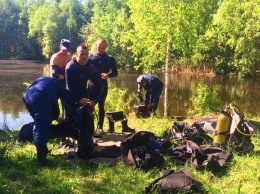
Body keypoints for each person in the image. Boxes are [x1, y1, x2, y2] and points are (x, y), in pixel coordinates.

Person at [23, 77, 77, 166]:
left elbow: (53, 107)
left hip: (27, 97)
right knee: (41, 129)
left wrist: (56, 118)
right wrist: (76, 106)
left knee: (39, 124)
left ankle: (42, 148)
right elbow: (68, 97)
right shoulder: (58, 84)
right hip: (41, 96)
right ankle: (42, 160)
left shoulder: (44, 81)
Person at [65, 44, 103, 137]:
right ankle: (65, 138)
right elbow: (69, 87)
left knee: (87, 115)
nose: (84, 56)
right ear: (76, 54)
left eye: (86, 54)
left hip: (83, 91)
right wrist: (79, 100)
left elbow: (98, 84)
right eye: (82, 54)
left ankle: (88, 138)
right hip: (70, 93)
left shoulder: (90, 67)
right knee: (68, 116)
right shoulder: (71, 66)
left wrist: (95, 100)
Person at [88, 38, 118, 133]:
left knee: (101, 105)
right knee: (89, 106)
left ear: (106, 47)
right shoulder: (90, 56)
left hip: (103, 85)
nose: (100, 49)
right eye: (99, 47)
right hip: (92, 84)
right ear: (96, 46)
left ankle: (100, 127)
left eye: (103, 48)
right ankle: (90, 127)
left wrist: (107, 75)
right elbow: (84, 68)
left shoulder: (109, 58)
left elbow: (115, 72)